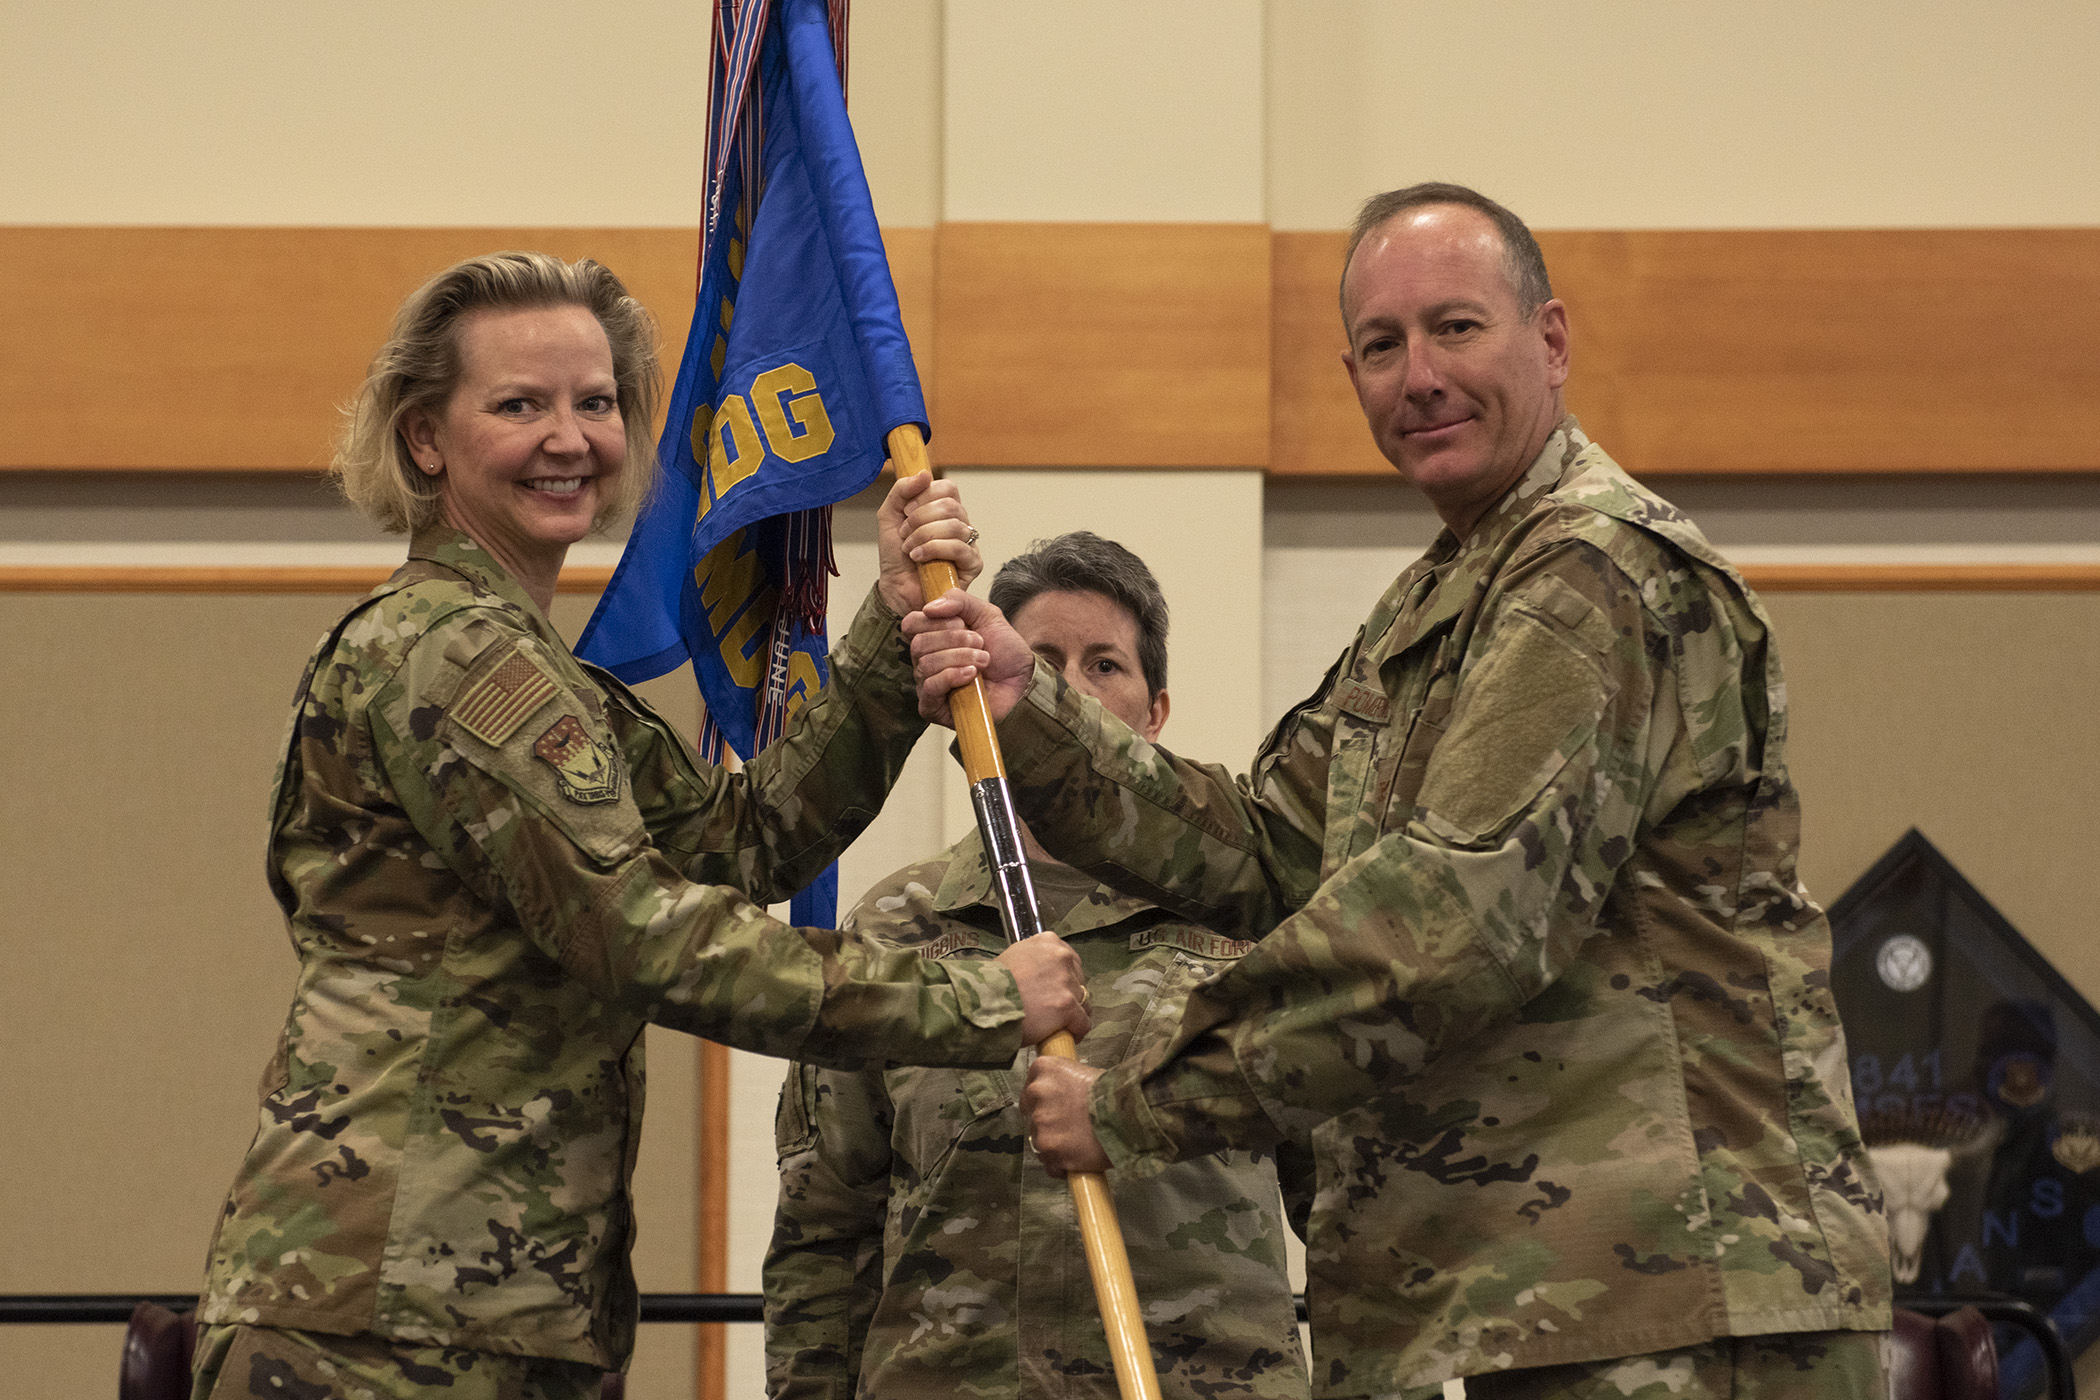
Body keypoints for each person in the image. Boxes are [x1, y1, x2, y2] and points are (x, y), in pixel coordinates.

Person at [907, 186, 1892, 1399]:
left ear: (1551, 339)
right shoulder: (1436, 600)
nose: (1419, 375)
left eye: (1455, 327)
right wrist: (1031, 713)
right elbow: (1268, 845)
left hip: (1678, 1301)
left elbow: (1454, 919)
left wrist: (1142, 1097)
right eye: (1382, 345)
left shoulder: (1594, 569)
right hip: (1535, 1301)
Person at [189, 251, 1087, 1400]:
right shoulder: (452, 654)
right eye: (520, 404)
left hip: (482, 1301)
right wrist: (978, 1001)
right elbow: (647, 931)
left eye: (597, 401)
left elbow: (744, 841)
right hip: (389, 1317)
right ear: (425, 437)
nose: (570, 437)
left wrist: (890, 621)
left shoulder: (530, 666)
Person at [763, 532, 1312, 1400]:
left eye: (1105, 665)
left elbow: (1348, 1199)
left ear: (1154, 714)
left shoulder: (1250, 926)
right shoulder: (898, 928)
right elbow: (826, 1229)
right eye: (1044, 662)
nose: (1071, 689)